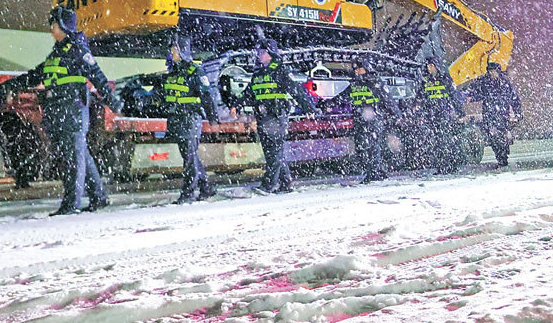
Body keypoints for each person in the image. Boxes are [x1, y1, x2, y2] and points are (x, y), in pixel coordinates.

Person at [0, 6, 123, 215]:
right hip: (60, 109)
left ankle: (71, 204)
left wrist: (112, 102)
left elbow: (97, 76)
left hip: (72, 109)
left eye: (54, 25)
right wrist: (9, 85)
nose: (51, 29)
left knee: (73, 158)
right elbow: (36, 75)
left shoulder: (78, 49)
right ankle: (99, 197)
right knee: (80, 154)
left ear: (63, 26)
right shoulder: (57, 53)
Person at [238, 38, 316, 194]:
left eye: (262, 52)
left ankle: (269, 185)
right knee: (272, 152)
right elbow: (249, 93)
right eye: (258, 52)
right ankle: (286, 183)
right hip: (263, 117)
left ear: (270, 53)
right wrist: (237, 104)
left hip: (276, 116)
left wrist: (308, 107)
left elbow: (296, 90)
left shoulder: (280, 70)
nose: (258, 54)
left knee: (274, 152)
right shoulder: (258, 73)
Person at [161, 34, 221, 204]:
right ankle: (206, 188)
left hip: (190, 119)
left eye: (174, 49)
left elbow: (207, 96)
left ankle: (188, 193)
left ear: (181, 51)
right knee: (190, 156)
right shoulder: (173, 72)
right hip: (176, 119)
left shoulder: (195, 71)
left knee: (189, 157)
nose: (171, 52)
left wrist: (213, 118)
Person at [321, 57, 401, 183]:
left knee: (371, 145)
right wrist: (326, 103)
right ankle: (376, 170)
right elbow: (342, 97)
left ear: (366, 68)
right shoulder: (355, 84)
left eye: (359, 68)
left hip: (373, 119)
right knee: (363, 146)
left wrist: (396, 114)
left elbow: (387, 99)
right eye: (355, 69)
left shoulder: (375, 83)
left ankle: (374, 173)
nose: (356, 71)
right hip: (360, 120)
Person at [462, 62, 523, 167]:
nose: (491, 73)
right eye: (490, 71)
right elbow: (478, 93)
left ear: (498, 71)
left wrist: (518, 113)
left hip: (502, 116)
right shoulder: (485, 82)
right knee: (494, 138)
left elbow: (514, 99)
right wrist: (470, 97)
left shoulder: (505, 84)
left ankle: (503, 157)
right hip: (490, 116)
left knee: (501, 138)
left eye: (493, 71)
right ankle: (501, 158)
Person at [415, 55, 465, 174]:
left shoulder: (445, 78)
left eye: (431, 66)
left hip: (443, 115)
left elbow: (454, 95)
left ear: (435, 66)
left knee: (444, 141)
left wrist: (460, 112)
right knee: (437, 142)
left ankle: (449, 165)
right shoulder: (426, 81)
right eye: (428, 66)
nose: (429, 68)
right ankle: (442, 166)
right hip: (431, 116)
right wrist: (419, 113)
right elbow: (421, 98)